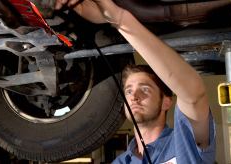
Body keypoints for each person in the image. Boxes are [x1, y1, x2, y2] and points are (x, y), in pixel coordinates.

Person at [54, 0, 216, 163]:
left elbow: (194, 96)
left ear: (166, 102)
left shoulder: (184, 144)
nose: (134, 97)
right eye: (129, 90)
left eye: (145, 89)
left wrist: (118, 18)